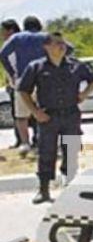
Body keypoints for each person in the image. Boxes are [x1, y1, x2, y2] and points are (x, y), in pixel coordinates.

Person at [17, 32, 93, 204]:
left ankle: (69, 187)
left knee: (71, 150)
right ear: (46, 47)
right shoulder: (37, 67)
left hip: (70, 115)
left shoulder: (75, 66)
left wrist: (84, 94)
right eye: (57, 43)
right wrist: (35, 112)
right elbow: (23, 90)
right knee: (46, 153)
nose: (62, 46)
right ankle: (44, 190)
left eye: (63, 43)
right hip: (48, 117)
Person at [0, 16, 46, 156]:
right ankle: (41, 142)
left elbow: (2, 54)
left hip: (23, 80)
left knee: (21, 116)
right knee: (42, 112)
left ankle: (25, 144)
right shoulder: (46, 37)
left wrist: (12, 72)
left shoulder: (16, 38)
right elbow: (68, 48)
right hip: (43, 79)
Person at [1, 19, 22, 148]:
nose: (1, 33)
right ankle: (21, 140)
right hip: (13, 83)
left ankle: (28, 140)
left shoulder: (16, 44)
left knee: (23, 114)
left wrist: (13, 76)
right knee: (17, 114)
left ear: (11, 30)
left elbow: (12, 63)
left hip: (20, 82)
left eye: (3, 30)